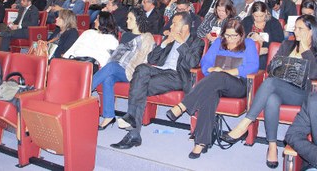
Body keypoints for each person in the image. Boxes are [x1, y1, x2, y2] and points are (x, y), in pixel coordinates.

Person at [221, 15, 317, 169]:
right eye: (295, 28)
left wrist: (306, 52)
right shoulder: (288, 44)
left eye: (300, 29)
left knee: (270, 83)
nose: (295, 31)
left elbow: (314, 74)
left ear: (311, 31)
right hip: (280, 87)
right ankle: (272, 145)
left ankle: (244, 124)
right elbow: (272, 66)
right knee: (271, 98)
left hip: (302, 95)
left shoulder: (314, 51)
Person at [166, 19, 259, 158]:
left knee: (219, 75)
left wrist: (227, 71)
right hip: (215, 82)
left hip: (238, 84)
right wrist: (209, 69)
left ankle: (183, 105)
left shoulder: (249, 44)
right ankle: (200, 142)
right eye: (227, 35)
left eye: (234, 36)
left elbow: (253, 66)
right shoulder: (218, 42)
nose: (230, 39)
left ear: (241, 35)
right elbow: (205, 61)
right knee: (210, 94)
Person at [111, 12, 204, 149]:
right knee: (142, 68)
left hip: (177, 76)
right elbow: (151, 60)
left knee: (138, 86)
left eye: (174, 24)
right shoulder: (169, 39)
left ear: (184, 27)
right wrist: (165, 43)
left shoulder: (197, 42)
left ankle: (133, 132)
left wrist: (181, 43)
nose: (170, 26)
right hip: (160, 71)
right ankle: (133, 125)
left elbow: (193, 63)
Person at [92, 7, 155, 130]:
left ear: (138, 21)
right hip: (119, 69)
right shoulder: (125, 35)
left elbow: (143, 57)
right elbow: (119, 54)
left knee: (110, 67)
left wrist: (125, 65)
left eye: (130, 19)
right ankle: (109, 116)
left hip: (133, 71)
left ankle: (84, 90)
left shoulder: (146, 37)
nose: (127, 21)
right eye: (127, 18)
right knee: (108, 78)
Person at [242, 1, 284, 70]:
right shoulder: (247, 21)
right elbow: (240, 37)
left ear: (266, 12)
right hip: (248, 51)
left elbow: (278, 42)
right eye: (256, 16)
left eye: (261, 16)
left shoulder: (274, 23)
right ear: (252, 14)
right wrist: (250, 36)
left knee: (261, 60)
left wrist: (265, 49)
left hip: (267, 52)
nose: (258, 19)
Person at [285, 92, 317, 171]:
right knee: (272, 98)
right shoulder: (313, 101)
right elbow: (293, 134)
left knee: (270, 87)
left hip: (298, 90)